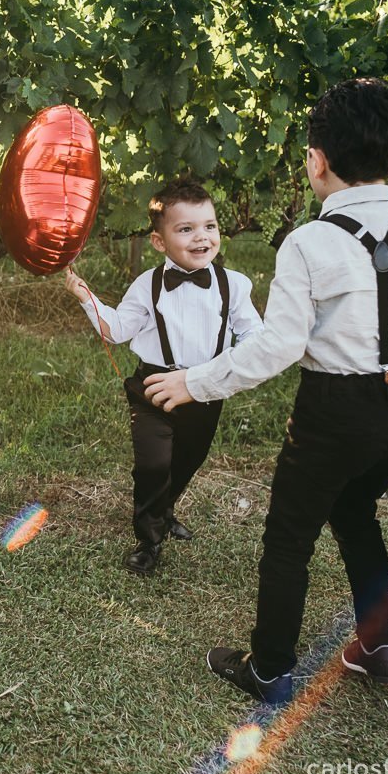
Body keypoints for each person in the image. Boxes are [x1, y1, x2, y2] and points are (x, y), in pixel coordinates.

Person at [143, 78, 388, 705]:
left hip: (333, 411)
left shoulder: (308, 242)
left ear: (316, 163)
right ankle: (380, 643)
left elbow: (278, 346)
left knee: (290, 537)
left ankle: (269, 669)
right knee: (356, 512)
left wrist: (194, 381)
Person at [66, 177, 263, 575]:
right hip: (153, 388)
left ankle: (165, 508)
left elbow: (255, 336)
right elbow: (117, 330)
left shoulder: (234, 286)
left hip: (205, 390)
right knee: (153, 464)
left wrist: (227, 370)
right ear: (159, 241)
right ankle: (148, 538)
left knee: (186, 463)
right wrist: (86, 296)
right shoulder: (147, 285)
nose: (201, 237)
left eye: (209, 226)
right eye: (186, 229)